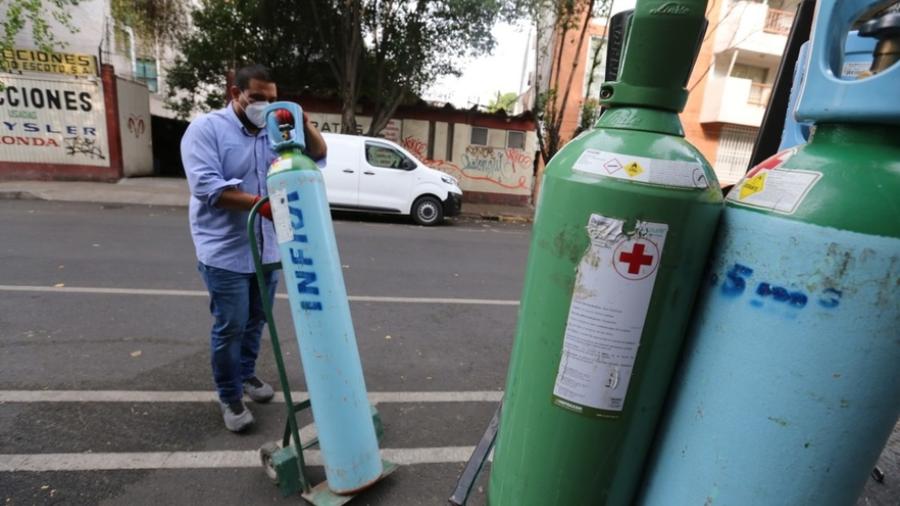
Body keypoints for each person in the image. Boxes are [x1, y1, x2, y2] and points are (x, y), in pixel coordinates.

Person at [181, 64, 327, 432]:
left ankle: (246, 375)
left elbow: (318, 157)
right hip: (225, 251)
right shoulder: (206, 130)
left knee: (256, 321)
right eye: (257, 98)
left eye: (272, 100)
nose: (264, 106)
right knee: (231, 325)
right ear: (236, 94)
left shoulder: (275, 132)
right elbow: (209, 189)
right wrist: (262, 205)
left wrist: (302, 120)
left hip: (268, 251)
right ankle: (229, 395)